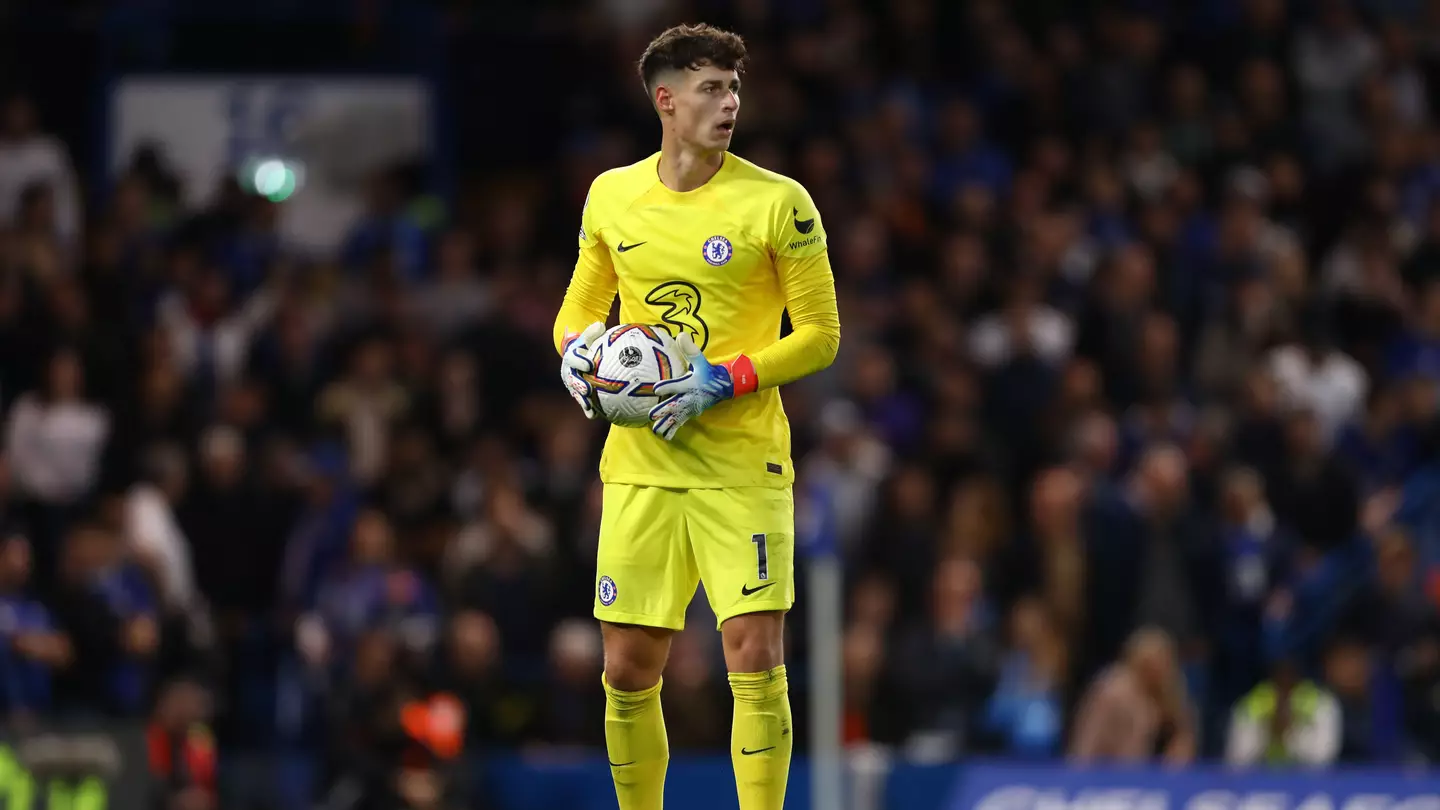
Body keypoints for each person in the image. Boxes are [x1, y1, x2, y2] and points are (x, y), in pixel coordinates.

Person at [552, 22, 841, 810]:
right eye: (712, 88)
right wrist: (575, 355)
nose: (730, 103)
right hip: (642, 465)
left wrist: (727, 377)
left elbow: (821, 334)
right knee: (626, 669)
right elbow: (579, 309)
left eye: (734, 88)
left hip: (742, 462)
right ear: (666, 101)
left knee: (754, 652)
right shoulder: (612, 195)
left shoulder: (779, 203)